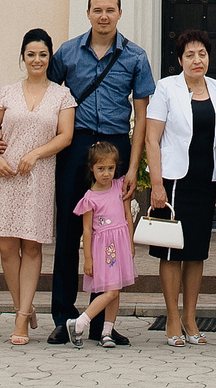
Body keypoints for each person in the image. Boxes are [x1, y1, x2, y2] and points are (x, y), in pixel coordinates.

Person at [43, 0, 153, 344]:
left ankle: (98, 322)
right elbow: (48, 96)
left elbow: (141, 116)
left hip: (115, 148)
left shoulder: (135, 56)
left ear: (120, 13)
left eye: (110, 10)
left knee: (109, 235)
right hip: (75, 146)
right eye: (97, 10)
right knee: (68, 231)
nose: (103, 16)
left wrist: (133, 169)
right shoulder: (67, 52)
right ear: (88, 13)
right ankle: (63, 317)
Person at [0, 27, 75, 345]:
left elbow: (65, 136)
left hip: (38, 177)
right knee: (7, 248)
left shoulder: (62, 95)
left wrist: (35, 153)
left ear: (50, 58)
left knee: (31, 247)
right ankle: (24, 306)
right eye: (31, 54)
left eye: (43, 54)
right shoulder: (7, 93)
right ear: (23, 57)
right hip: (5, 177)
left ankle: (20, 319)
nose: (37, 59)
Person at [141, 29, 216, 347]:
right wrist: (157, 184)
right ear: (180, 60)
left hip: (205, 180)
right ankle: (172, 319)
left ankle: (191, 318)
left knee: (196, 253)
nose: (196, 60)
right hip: (174, 181)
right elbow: (152, 138)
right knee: (171, 251)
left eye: (202, 54)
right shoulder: (166, 88)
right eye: (189, 55)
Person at [65, 140, 138, 346]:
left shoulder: (120, 187)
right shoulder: (90, 198)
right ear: (91, 168)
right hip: (105, 249)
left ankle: (107, 332)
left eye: (110, 168)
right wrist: (88, 258)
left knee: (116, 289)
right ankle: (80, 322)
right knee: (111, 290)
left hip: (120, 244)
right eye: (101, 169)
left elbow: (127, 216)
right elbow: (87, 230)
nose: (106, 174)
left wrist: (130, 243)